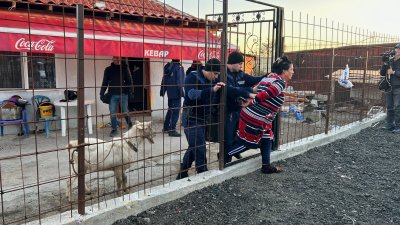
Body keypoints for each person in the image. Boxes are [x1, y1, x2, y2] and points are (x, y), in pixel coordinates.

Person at [226, 56, 294, 174]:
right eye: (291, 69)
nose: (293, 72)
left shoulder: (269, 77)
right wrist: (251, 102)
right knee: (249, 142)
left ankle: (266, 166)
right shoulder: (280, 83)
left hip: (258, 117)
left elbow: (258, 89)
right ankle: (225, 154)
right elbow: (266, 94)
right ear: (284, 71)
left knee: (267, 137)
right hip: (255, 118)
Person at [176, 58, 225, 180]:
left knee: (195, 145)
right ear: (209, 71)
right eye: (215, 74)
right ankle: (203, 175)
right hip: (191, 117)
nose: (216, 77)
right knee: (200, 148)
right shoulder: (192, 77)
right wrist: (212, 90)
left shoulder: (212, 79)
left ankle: (182, 172)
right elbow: (191, 94)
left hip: (204, 117)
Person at [223, 51, 262, 161]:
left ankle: (230, 154)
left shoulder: (240, 73)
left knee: (241, 134)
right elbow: (231, 90)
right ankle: (225, 161)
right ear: (233, 63)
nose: (241, 66)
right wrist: (249, 91)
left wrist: (268, 76)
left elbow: (254, 80)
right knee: (228, 139)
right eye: (240, 63)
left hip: (238, 110)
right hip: (227, 111)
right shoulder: (223, 74)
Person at [100, 56, 133, 137]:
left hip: (123, 94)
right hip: (112, 94)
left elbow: (129, 81)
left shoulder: (124, 68)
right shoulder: (108, 69)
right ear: (113, 58)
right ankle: (114, 129)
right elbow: (105, 82)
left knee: (125, 110)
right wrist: (101, 93)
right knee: (112, 113)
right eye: (116, 57)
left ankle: (131, 126)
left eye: (119, 57)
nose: (117, 59)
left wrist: (131, 92)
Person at [160, 59, 185, 137]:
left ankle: (166, 127)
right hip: (176, 93)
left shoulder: (168, 67)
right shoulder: (178, 68)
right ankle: (172, 130)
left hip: (170, 93)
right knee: (176, 112)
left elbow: (164, 79)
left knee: (170, 110)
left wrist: (162, 91)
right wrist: (182, 93)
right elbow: (179, 81)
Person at [380, 43, 400, 133]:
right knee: (389, 107)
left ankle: (398, 127)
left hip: (398, 87)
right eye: (397, 48)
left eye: (399, 49)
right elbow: (382, 73)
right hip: (389, 87)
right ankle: (389, 125)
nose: (397, 50)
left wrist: (394, 72)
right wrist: (385, 63)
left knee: (398, 107)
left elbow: (393, 72)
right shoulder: (390, 60)